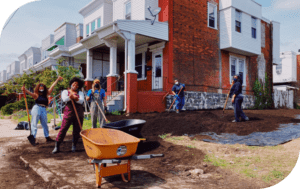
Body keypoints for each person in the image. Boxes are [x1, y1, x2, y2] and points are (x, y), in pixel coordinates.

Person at [22, 76, 63, 145]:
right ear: (38, 88)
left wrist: (57, 80)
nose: (41, 88)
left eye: (43, 87)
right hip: (37, 108)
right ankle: (33, 138)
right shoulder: (36, 95)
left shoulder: (46, 94)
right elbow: (29, 93)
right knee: (34, 123)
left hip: (44, 109)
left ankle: (47, 137)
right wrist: (25, 90)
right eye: (40, 87)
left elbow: (52, 86)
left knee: (44, 123)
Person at [52, 77, 85, 154]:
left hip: (78, 113)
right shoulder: (65, 91)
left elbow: (81, 101)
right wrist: (71, 97)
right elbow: (64, 99)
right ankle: (57, 146)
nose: (74, 85)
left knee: (77, 130)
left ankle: (74, 145)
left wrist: (76, 99)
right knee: (63, 128)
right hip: (69, 112)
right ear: (71, 83)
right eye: (74, 83)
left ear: (78, 86)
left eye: (76, 84)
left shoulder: (80, 93)